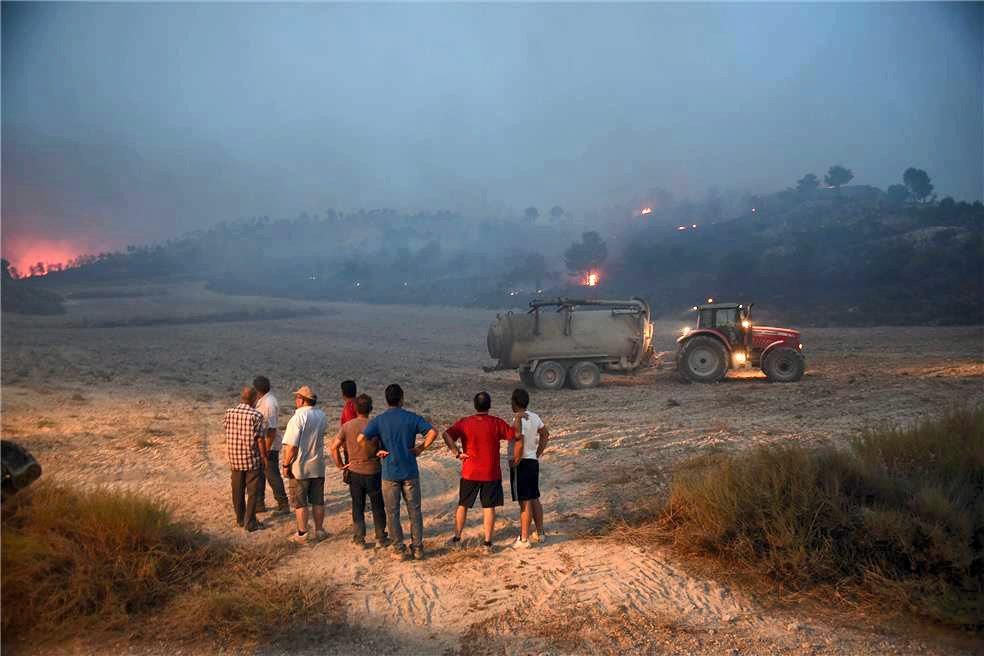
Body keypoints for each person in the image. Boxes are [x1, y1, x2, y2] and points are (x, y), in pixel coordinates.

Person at [358, 383, 438, 560]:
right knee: (415, 511)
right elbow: (433, 432)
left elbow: (361, 438)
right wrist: (420, 448)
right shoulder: (411, 417)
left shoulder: (379, 420)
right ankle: (417, 548)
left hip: (389, 472)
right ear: (401, 399)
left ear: (387, 400)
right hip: (410, 470)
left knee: (392, 512)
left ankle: (399, 549)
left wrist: (374, 452)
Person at [443, 391, 514, 554]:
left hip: (470, 471)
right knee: (488, 507)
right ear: (489, 406)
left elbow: (446, 434)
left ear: (475, 406)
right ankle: (487, 544)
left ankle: (456, 539)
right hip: (490, 472)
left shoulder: (465, 422)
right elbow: (514, 435)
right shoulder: (497, 423)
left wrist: (456, 451)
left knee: (463, 505)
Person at [330, 393, 388, 548]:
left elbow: (333, 447)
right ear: (370, 409)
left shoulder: (347, 426)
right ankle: (381, 537)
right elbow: (384, 448)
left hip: (355, 471)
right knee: (377, 505)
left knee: (357, 505)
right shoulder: (376, 425)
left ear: (355, 409)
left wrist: (341, 465)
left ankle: (359, 538)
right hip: (373, 470)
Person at [281, 385, 329, 544]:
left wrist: (286, 464)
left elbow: (292, 446)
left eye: (297, 397)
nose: (296, 400)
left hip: (300, 467)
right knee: (317, 500)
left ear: (302, 400)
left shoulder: (297, 418)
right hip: (318, 464)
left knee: (300, 502)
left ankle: (302, 533)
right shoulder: (322, 416)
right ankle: (320, 530)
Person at [509, 388, 550, 549]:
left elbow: (519, 440)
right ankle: (540, 533)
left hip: (523, 463)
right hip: (532, 460)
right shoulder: (534, 416)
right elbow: (545, 434)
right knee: (534, 497)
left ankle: (524, 539)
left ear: (515, 402)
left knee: (524, 502)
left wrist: (516, 460)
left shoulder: (519, 419)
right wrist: (538, 452)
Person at [224, 386, 268, 532]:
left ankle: (240, 518)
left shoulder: (229, 413)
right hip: (251, 459)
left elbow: (227, 430)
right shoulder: (256, 416)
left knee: (237, 490)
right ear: (254, 399)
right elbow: (260, 440)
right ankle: (250, 522)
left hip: (234, 458)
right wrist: (264, 457)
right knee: (252, 492)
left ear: (242, 398)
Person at [253, 375, 290, 515]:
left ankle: (283, 503)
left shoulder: (268, 404)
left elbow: (272, 430)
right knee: (261, 475)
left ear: (257, 390)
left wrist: (266, 451)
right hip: (265, 443)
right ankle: (259, 503)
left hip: (270, 445)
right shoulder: (265, 400)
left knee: (272, 474)